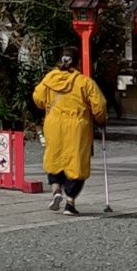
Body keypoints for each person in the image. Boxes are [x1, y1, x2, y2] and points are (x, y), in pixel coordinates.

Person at [33, 48, 108, 213]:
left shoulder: (49, 78)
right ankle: (70, 203)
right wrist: (101, 119)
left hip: (53, 125)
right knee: (76, 164)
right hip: (77, 127)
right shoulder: (84, 82)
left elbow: (38, 99)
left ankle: (56, 190)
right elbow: (99, 106)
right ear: (78, 62)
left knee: (54, 159)